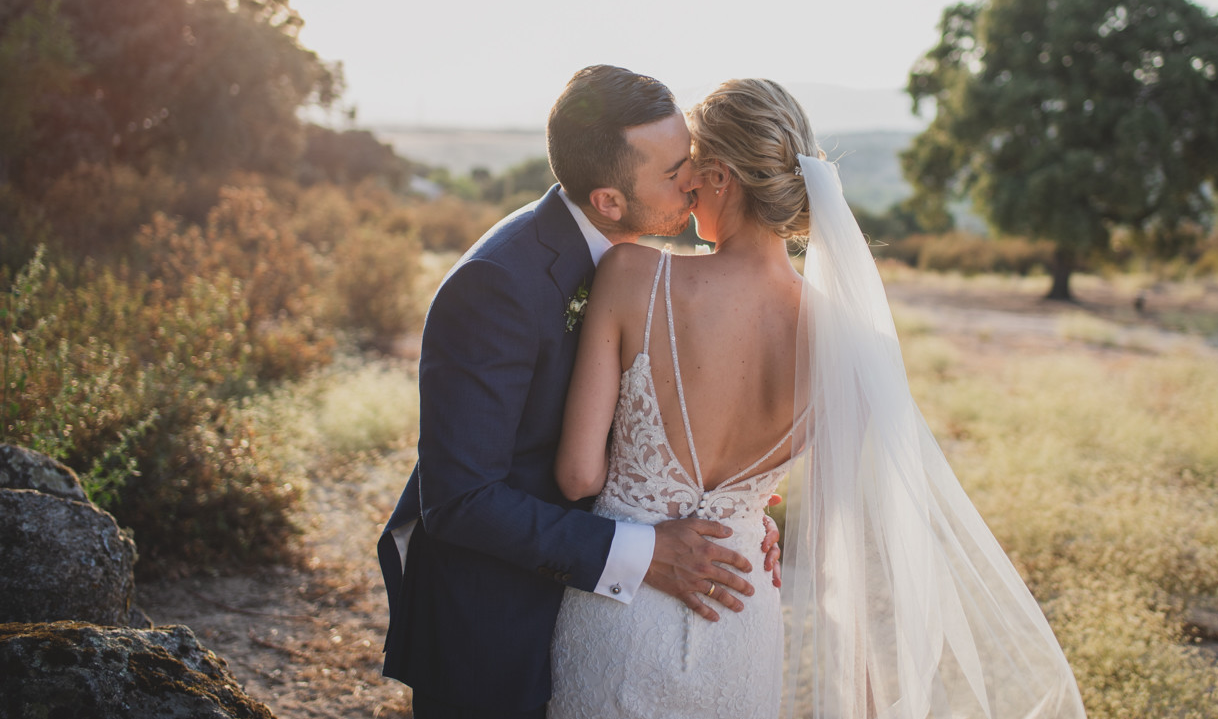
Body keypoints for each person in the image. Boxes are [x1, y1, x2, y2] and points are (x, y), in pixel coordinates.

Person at [548, 79, 1087, 719]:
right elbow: (835, 546)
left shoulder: (634, 274)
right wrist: (756, 521)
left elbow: (578, 475)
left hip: (622, 615)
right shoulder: (845, 342)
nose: (685, 182)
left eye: (693, 166)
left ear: (722, 177)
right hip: (739, 618)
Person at [377, 66, 778, 719]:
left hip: (593, 615)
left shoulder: (643, 272)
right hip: (496, 624)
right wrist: (646, 551)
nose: (697, 179)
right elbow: (459, 499)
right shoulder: (495, 286)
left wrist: (737, 507)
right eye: (676, 170)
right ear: (609, 200)